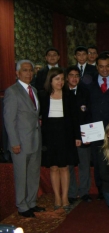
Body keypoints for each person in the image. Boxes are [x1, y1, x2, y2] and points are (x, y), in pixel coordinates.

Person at [4, 60, 45, 218]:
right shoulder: (12, 92)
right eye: (25, 70)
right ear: (17, 73)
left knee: (33, 174)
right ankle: (22, 206)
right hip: (20, 143)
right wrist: (14, 142)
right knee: (21, 175)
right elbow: (9, 120)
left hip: (35, 140)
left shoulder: (33, 89)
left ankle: (32, 202)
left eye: (31, 70)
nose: (29, 73)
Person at [39, 67, 81, 210]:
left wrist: (77, 136)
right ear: (50, 81)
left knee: (65, 167)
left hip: (66, 135)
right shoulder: (43, 96)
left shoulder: (69, 96)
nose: (60, 82)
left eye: (62, 79)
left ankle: (65, 198)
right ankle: (57, 197)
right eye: (57, 79)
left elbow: (75, 119)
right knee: (54, 168)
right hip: (50, 136)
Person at [89, 53, 109, 199]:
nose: (104, 69)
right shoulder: (88, 82)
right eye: (101, 66)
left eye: (107, 66)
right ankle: (101, 189)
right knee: (98, 159)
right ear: (97, 67)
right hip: (94, 128)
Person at [66, 66, 93, 204]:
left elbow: (89, 115)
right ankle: (71, 193)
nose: (74, 78)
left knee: (84, 165)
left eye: (77, 75)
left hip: (83, 135)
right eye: (71, 75)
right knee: (69, 166)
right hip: (67, 137)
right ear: (67, 77)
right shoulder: (61, 93)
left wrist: (88, 135)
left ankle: (84, 192)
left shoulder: (85, 92)